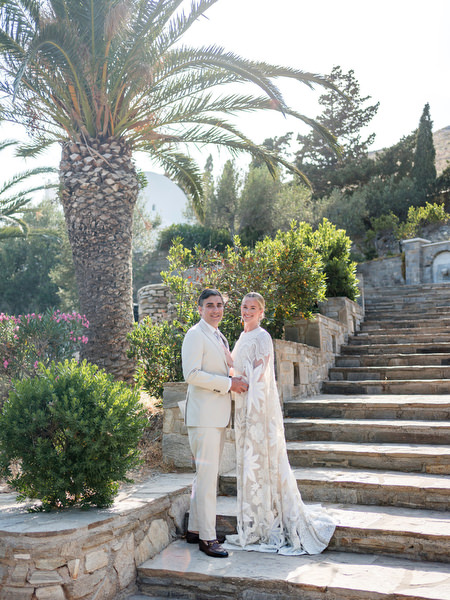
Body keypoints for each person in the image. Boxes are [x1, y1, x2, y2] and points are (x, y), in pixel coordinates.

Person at [225, 292, 336, 555]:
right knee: (249, 465)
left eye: (253, 308)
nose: (248, 311)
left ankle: (265, 523)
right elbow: (234, 368)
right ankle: (254, 521)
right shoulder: (242, 337)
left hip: (257, 411)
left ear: (262, 312)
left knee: (262, 462)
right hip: (242, 409)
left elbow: (259, 373)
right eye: (244, 307)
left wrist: (240, 385)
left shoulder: (263, 337)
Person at [181, 288, 248, 558]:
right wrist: (229, 384)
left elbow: (225, 367)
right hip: (204, 418)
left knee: (205, 478)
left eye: (220, 305)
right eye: (210, 305)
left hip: (216, 416)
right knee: (208, 481)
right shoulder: (195, 335)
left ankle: (196, 529)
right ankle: (208, 539)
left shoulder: (218, 334)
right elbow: (192, 374)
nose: (216, 310)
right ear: (200, 309)